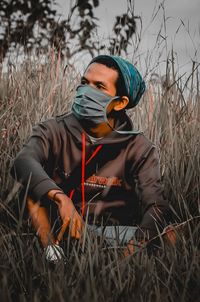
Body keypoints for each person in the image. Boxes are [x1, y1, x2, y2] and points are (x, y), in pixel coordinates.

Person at [10, 55, 170, 262]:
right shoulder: (53, 130)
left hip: (112, 232)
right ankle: (52, 255)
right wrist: (60, 197)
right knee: (31, 188)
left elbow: (157, 205)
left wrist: (131, 252)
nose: (86, 91)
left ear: (120, 103)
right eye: (84, 83)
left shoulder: (140, 148)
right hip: (58, 226)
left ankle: (123, 265)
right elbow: (23, 161)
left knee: (172, 233)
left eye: (99, 86)